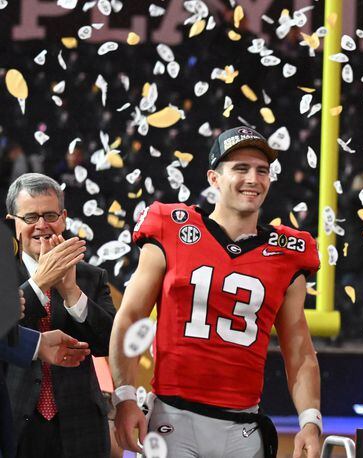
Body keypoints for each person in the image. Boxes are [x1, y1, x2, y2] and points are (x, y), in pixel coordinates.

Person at [110, 127, 322, 458]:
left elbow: (299, 348)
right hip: (173, 419)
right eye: (241, 168)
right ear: (214, 178)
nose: (253, 178)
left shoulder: (289, 252)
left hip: (243, 426)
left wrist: (310, 420)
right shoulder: (171, 226)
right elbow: (131, 316)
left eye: (262, 170)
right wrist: (123, 395)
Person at [4, 173, 116, 458]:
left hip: (82, 427)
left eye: (50, 215)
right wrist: (39, 284)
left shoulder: (91, 276)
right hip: (14, 425)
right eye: (30, 217)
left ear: (64, 218)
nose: (42, 225)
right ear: (12, 223)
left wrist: (72, 294)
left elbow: (108, 343)